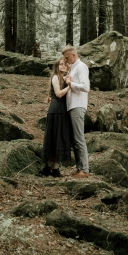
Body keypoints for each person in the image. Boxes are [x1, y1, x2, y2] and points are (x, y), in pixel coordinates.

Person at [40, 58, 73, 177]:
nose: (63, 66)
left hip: (62, 110)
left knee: (59, 137)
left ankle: (54, 168)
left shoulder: (64, 78)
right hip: (55, 110)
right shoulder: (55, 77)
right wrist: (70, 86)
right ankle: (48, 167)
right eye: (61, 64)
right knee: (53, 137)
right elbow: (58, 94)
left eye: (65, 64)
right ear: (57, 66)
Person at [62, 45, 90, 178]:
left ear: (73, 55)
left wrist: (71, 85)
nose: (66, 61)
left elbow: (86, 87)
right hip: (71, 105)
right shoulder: (72, 68)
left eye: (67, 58)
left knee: (79, 138)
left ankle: (84, 170)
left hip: (78, 106)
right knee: (74, 139)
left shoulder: (81, 67)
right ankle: (79, 167)